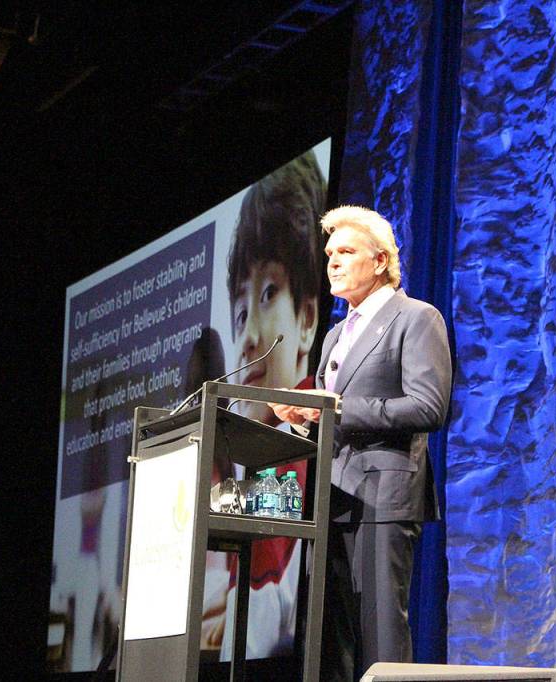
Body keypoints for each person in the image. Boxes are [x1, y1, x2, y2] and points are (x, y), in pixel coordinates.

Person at [271, 205, 452, 681]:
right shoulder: (333, 337)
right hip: (332, 499)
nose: (332, 261)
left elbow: (428, 408)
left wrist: (331, 408)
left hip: (384, 496)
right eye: (330, 252)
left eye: (346, 251)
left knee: (381, 635)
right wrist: (303, 420)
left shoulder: (416, 317)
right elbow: (334, 417)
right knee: (334, 640)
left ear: (379, 261)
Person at [201, 149, 327, 660]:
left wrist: (207, 504)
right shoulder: (257, 458)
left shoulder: (297, 446)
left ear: (306, 318)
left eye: (269, 293)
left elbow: (263, 630)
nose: (248, 335)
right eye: (237, 311)